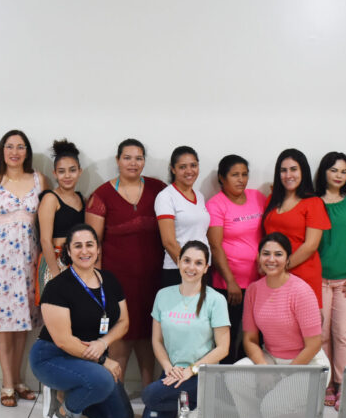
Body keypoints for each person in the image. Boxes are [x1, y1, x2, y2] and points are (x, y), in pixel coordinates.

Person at [30, 224, 133, 418]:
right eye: (77, 246)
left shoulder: (110, 280)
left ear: (98, 249)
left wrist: (103, 343)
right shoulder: (57, 287)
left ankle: (67, 392)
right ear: (68, 251)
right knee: (103, 380)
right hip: (53, 356)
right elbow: (64, 341)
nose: (84, 251)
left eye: (89, 245)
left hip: (90, 356)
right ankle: (64, 413)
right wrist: (104, 361)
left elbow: (123, 322)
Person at [85, 139, 165, 387]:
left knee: (149, 334)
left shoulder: (159, 189)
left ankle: (149, 390)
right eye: (127, 158)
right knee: (120, 334)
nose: (133, 163)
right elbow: (92, 244)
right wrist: (97, 285)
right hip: (116, 282)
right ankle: (116, 393)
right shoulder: (102, 195)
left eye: (138, 158)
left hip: (154, 280)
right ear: (118, 160)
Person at [0, 130, 44, 406]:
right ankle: (6, 384)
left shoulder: (38, 179)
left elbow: (44, 215)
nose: (15, 152)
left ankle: (18, 380)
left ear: (27, 151)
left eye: (21, 147)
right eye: (10, 146)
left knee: (23, 321)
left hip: (28, 256)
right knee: (4, 322)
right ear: (2, 150)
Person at [140, 241, 229, 418]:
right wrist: (168, 367)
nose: (191, 267)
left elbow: (223, 348)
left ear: (206, 268)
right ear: (178, 262)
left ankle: (201, 400)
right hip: (173, 372)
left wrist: (192, 370)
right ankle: (193, 407)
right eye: (187, 260)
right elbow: (157, 340)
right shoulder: (163, 295)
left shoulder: (216, 300)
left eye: (198, 263)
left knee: (150, 395)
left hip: (201, 374)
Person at [314, 152, 346, 407]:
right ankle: (326, 384)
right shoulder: (312, 201)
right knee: (322, 334)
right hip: (318, 280)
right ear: (324, 171)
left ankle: (343, 384)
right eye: (334, 170)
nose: (339, 175)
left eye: (344, 171)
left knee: (344, 334)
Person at [239, 232, 330, 371]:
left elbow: (314, 345)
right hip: (270, 359)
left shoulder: (301, 290)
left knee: (285, 386)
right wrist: (263, 368)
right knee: (237, 372)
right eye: (266, 254)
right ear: (259, 257)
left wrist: (285, 375)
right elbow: (249, 339)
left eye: (278, 254)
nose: (271, 259)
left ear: (288, 259)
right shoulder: (253, 290)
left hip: (307, 361)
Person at [207, 154, 266, 364]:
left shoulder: (257, 197)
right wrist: (230, 281)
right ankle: (225, 379)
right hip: (229, 285)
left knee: (256, 334)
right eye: (235, 175)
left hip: (259, 281)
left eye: (244, 174)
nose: (241, 179)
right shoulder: (216, 204)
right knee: (228, 337)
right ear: (222, 178)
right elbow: (215, 246)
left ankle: (249, 375)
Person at [261, 149, 331, 307]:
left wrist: (282, 266)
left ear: (303, 172)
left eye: (293, 169)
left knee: (303, 320)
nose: (288, 175)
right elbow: (265, 236)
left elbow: (311, 245)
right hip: (272, 273)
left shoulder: (314, 203)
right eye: (283, 170)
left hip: (302, 273)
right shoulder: (271, 200)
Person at [36, 138, 85, 303]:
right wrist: (56, 275)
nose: (67, 176)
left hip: (78, 261)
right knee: (56, 311)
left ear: (80, 171)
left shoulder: (81, 198)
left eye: (72, 170)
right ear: (55, 173)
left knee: (77, 312)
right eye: (62, 171)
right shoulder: (50, 198)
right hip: (55, 261)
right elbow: (45, 240)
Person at [155, 146, 210, 287]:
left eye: (193, 165)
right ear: (173, 169)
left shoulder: (199, 195)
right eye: (182, 167)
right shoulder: (166, 196)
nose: (189, 171)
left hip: (202, 268)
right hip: (178, 270)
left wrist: (201, 266)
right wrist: (189, 268)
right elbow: (168, 242)